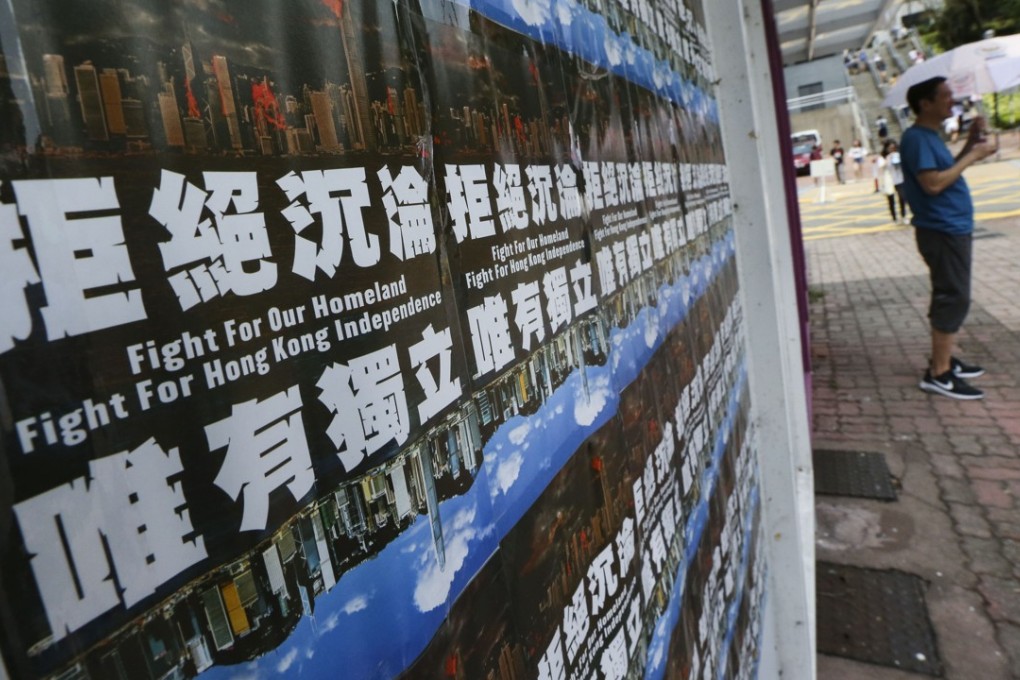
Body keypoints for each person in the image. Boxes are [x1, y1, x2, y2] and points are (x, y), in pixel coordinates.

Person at [900, 76, 997, 399]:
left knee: (950, 294)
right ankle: (938, 373)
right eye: (944, 96)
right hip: (941, 229)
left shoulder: (930, 136)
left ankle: (944, 359)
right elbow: (933, 185)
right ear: (924, 104)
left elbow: (946, 171)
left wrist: (970, 144)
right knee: (953, 297)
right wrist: (975, 156)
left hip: (949, 226)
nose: (951, 101)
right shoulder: (916, 138)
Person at [878, 140, 908, 224]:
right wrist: (888, 159)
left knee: (902, 197)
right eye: (890, 148)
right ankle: (894, 218)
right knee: (891, 199)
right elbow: (881, 166)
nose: (892, 149)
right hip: (889, 180)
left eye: (894, 148)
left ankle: (903, 216)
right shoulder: (883, 157)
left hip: (899, 179)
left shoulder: (898, 155)